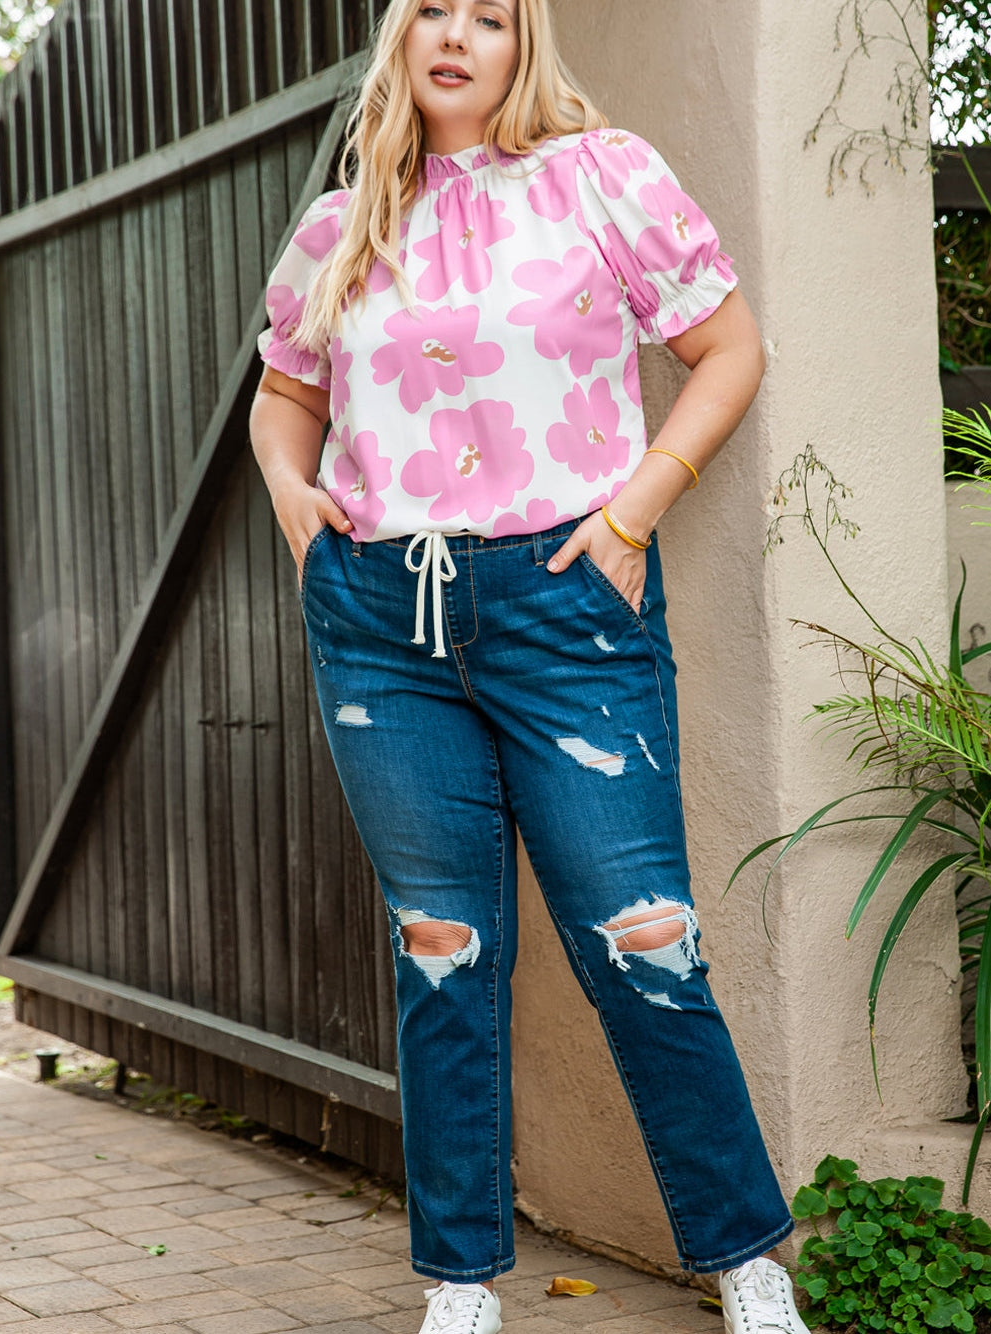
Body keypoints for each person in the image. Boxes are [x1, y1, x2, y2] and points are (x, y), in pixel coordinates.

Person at [249, 3, 811, 1334]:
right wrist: (296, 504)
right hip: (381, 618)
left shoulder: (598, 176)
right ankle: (459, 1284)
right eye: (431, 11)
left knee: (643, 938)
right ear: (402, 40)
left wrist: (632, 515)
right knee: (442, 952)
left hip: (566, 605)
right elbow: (286, 394)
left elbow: (727, 349)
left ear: (522, 43)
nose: (456, 35)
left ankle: (747, 1262)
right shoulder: (342, 223)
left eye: (489, 15)